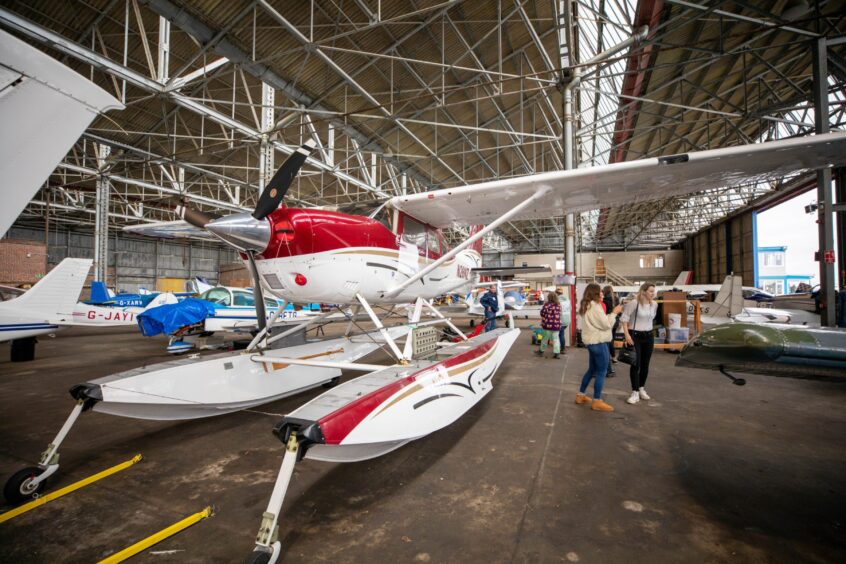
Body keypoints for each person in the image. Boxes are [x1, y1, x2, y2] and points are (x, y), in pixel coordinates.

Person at [576, 283, 623, 411]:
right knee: (602, 372)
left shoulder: (587, 306)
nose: (602, 294)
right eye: (600, 292)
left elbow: (600, 322)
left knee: (592, 370)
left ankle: (581, 395)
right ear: (594, 294)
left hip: (592, 343)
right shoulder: (595, 307)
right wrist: (614, 312)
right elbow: (606, 325)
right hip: (599, 342)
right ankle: (597, 401)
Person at [620, 282, 658, 405]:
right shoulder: (634, 303)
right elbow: (624, 319)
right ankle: (634, 392)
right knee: (635, 364)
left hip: (648, 336)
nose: (653, 293)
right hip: (635, 336)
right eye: (651, 291)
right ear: (643, 291)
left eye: (654, 291)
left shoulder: (655, 305)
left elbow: (651, 320)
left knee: (645, 365)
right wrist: (627, 335)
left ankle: (641, 388)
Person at [535, 292, 562, 359]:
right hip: (556, 325)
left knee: (544, 339)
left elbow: (542, 313)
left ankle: (541, 351)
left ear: (549, 298)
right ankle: (557, 353)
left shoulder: (547, 305)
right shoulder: (558, 305)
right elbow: (560, 314)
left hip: (547, 325)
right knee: (556, 339)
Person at [602, 285, 619, 377]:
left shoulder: (604, 300)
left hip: (608, 321)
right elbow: (618, 311)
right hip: (615, 321)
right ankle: (614, 358)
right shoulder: (616, 298)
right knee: (612, 339)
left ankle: (611, 358)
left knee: (608, 341)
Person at [555, 287, 569, 354]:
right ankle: (562, 348)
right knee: (561, 334)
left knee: (559, 335)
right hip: (567, 320)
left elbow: (556, 312)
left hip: (560, 320)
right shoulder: (567, 300)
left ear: (556, 293)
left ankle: (562, 349)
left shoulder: (557, 302)